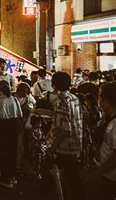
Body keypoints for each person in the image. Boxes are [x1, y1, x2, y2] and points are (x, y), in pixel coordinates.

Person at [47, 71, 85, 200]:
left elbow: (65, 129)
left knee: (67, 178)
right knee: (73, 178)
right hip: (75, 143)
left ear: (54, 85)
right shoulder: (74, 98)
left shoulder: (61, 101)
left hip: (64, 147)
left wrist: (52, 146)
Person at [88, 82, 116, 200]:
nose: (98, 99)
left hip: (112, 176)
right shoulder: (109, 118)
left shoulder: (114, 124)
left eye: (99, 96)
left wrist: (98, 172)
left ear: (107, 101)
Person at [0, 80, 23, 188]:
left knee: (4, 152)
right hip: (14, 126)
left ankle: (6, 178)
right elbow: (20, 115)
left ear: (0, 90)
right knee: (13, 152)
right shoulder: (14, 99)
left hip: (3, 127)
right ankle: (12, 176)